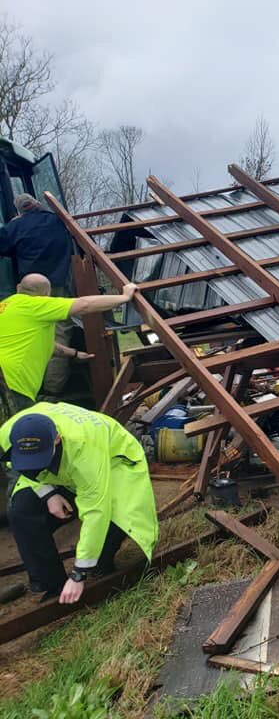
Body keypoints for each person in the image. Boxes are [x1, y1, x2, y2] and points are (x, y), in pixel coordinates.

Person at [0, 403, 158, 604]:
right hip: (61, 471)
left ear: (56, 439)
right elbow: (14, 465)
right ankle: (54, 585)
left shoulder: (85, 447)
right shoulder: (8, 432)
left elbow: (95, 510)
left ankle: (100, 563)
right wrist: (48, 494)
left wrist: (79, 573)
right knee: (21, 510)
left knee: (111, 521)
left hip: (113, 464)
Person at [0, 274, 137, 428]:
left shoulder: (6, 305)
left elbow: (47, 344)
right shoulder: (37, 305)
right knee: (13, 434)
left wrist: (74, 354)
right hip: (12, 384)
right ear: (48, 294)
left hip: (5, 378)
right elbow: (84, 304)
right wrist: (124, 297)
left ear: (18, 287)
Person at [0, 194, 78, 395]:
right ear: (38, 204)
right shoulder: (58, 220)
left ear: (19, 211)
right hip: (59, 286)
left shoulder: (16, 227)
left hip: (29, 290)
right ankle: (52, 391)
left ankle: (26, 388)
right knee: (59, 334)